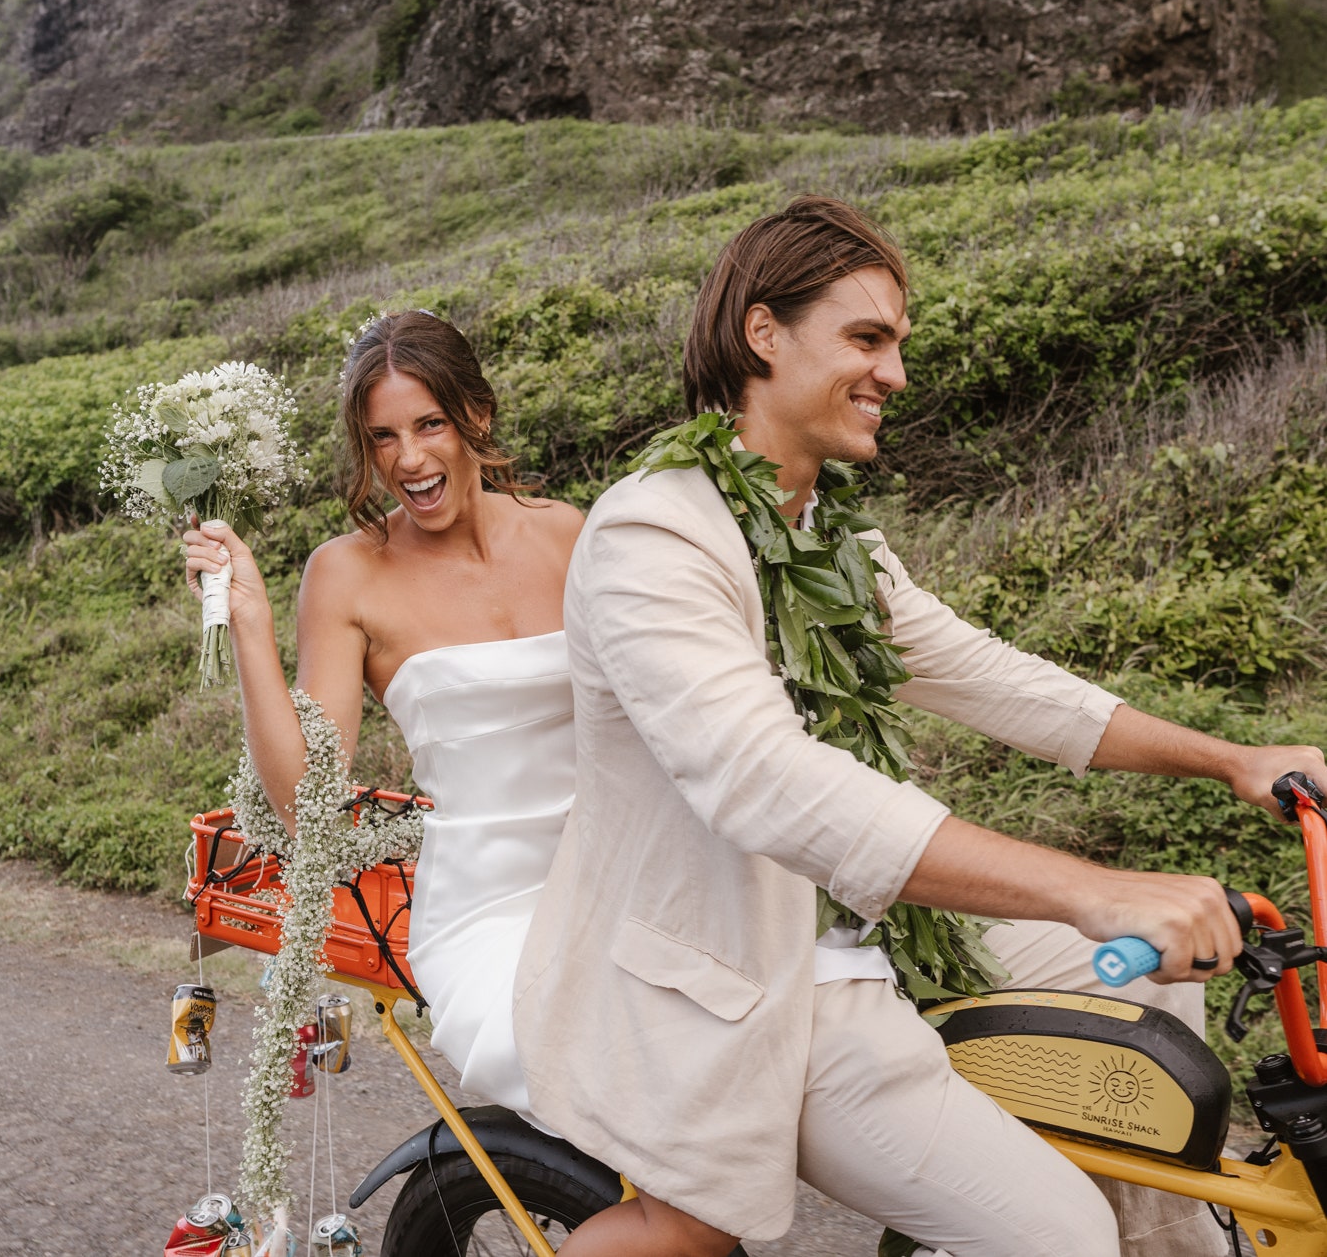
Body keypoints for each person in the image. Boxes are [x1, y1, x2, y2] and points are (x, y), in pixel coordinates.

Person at [513, 196, 1327, 1257]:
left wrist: (1229, 758)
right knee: (1057, 1235)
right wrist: (1095, 887)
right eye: (865, 338)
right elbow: (764, 780)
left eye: (896, 343)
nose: (893, 372)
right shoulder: (654, 534)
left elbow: (990, 675)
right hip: (756, 978)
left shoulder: (830, 534)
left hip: (873, 928)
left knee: (1161, 1010)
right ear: (763, 333)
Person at [183, 310, 583, 1119]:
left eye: (429, 423)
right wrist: (251, 627)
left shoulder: (570, 532)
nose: (408, 459)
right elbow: (307, 805)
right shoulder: (347, 575)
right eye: (382, 437)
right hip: (489, 908)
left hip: (619, 876)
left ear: (477, 414)